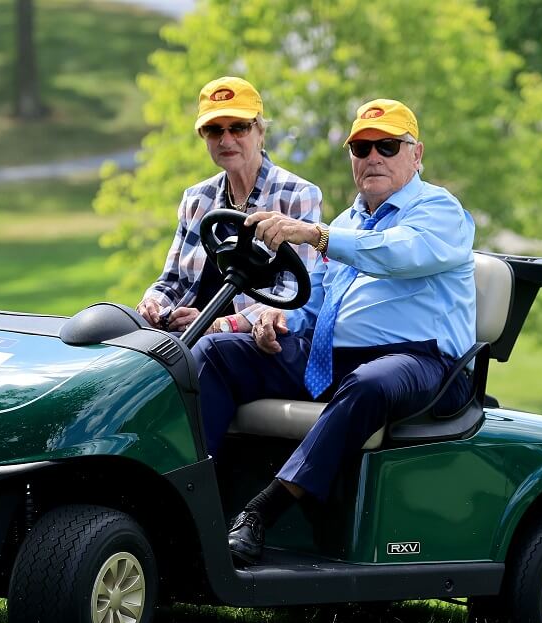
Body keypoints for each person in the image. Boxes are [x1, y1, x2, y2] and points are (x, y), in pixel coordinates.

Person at [191, 99, 476, 564]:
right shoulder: (346, 222)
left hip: (426, 364)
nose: (373, 157)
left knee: (368, 383)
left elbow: (397, 253)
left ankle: (262, 513)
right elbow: (314, 306)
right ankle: (192, 502)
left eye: (387, 145)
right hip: (335, 357)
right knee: (216, 352)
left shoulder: (439, 210)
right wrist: (272, 320)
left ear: (416, 154)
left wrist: (315, 235)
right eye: (362, 148)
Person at [136, 76, 322, 335]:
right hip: (185, 335)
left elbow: (293, 294)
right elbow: (172, 281)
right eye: (214, 129)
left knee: (205, 349)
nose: (225, 140)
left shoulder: (296, 194)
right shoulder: (196, 198)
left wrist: (215, 325)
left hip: (251, 339)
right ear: (203, 135)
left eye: (238, 128)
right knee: (116, 328)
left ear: (260, 131)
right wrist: (153, 304)